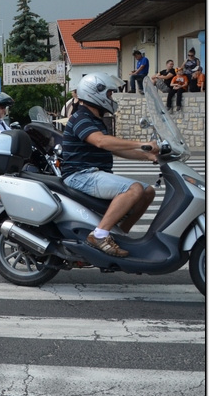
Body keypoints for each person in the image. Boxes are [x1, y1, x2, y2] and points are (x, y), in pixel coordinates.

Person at [61, 72, 158, 257]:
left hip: (93, 173)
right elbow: (102, 142)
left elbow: (113, 148)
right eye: (109, 94)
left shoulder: (95, 119)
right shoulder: (81, 117)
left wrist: (148, 156)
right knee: (134, 189)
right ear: (94, 93)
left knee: (148, 192)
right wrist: (142, 144)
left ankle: (118, 234)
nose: (111, 98)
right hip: (80, 175)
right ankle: (99, 235)